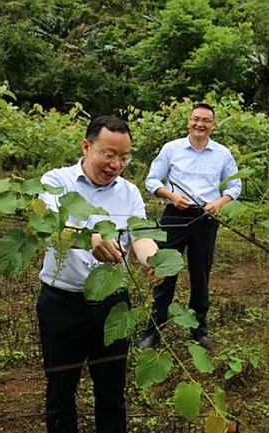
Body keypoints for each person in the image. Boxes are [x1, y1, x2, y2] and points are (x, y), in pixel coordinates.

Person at [36, 115, 160, 433]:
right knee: (61, 392)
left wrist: (153, 261)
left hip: (113, 305)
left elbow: (141, 235)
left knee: (112, 393)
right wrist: (89, 238)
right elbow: (50, 226)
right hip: (62, 303)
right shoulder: (56, 180)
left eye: (124, 157)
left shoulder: (129, 192)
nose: (116, 164)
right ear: (87, 146)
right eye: (108, 154)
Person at [139, 103, 242, 351]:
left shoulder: (222, 154)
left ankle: (199, 331)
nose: (200, 124)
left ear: (213, 125)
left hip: (205, 218)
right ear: (188, 121)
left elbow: (234, 187)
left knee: (201, 275)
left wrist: (219, 202)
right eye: (196, 119)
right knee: (164, 271)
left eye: (206, 120)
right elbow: (152, 180)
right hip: (175, 215)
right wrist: (172, 197)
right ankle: (154, 330)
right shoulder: (172, 149)